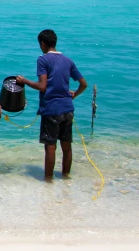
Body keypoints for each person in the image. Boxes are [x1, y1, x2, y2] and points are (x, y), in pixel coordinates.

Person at [16, 29, 88, 181]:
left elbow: (42, 86)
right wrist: (74, 94)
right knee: (66, 146)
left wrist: (25, 81)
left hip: (51, 109)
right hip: (68, 109)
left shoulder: (43, 60)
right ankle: (66, 176)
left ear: (42, 43)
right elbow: (83, 84)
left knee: (50, 146)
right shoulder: (68, 60)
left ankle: (48, 180)